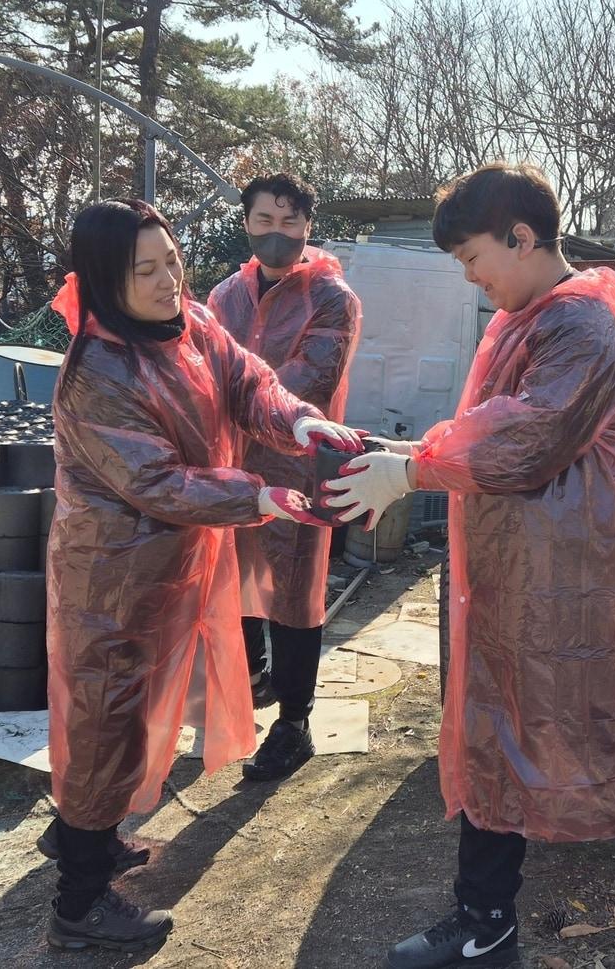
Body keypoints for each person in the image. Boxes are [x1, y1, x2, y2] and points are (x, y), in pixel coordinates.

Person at [325, 164, 615, 969]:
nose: (469, 276)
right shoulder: (525, 318)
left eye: (473, 256)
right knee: (492, 742)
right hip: (513, 586)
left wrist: (410, 472)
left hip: (575, 595)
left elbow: (528, 437)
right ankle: (484, 918)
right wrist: (406, 453)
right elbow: (484, 428)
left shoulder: (580, 328)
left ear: (522, 237)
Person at [44, 199, 359, 952]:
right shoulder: (99, 368)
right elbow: (156, 481)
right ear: (104, 279)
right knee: (105, 718)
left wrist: (299, 420)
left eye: (172, 262)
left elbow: (250, 383)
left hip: (170, 563)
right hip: (112, 575)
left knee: (134, 710)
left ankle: (80, 834)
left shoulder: (191, 325)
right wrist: (255, 495)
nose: (166, 281)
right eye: (143, 271)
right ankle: (78, 905)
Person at [207, 172, 363, 782]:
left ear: (307, 227)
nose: (278, 235)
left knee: (295, 591)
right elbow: (205, 369)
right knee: (237, 578)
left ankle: (294, 722)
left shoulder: (331, 297)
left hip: (300, 462)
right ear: (246, 224)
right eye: (266, 222)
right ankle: (250, 681)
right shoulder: (226, 297)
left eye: (290, 223)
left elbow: (311, 380)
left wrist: (241, 403)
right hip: (233, 464)